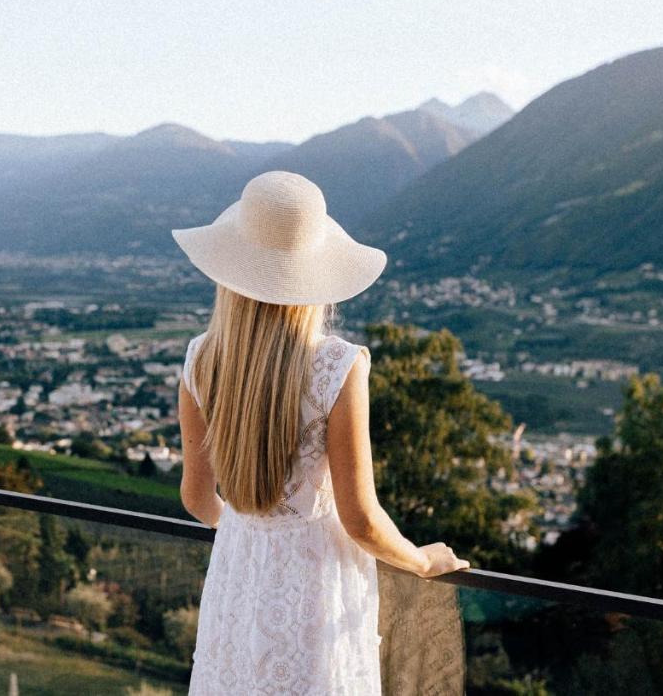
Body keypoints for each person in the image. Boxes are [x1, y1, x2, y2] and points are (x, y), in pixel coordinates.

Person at [172, 170, 470, 695]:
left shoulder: (201, 359)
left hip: (236, 584)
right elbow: (361, 521)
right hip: (317, 592)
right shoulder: (337, 366)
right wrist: (424, 561)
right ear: (315, 274)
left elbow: (197, 499)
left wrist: (252, 539)